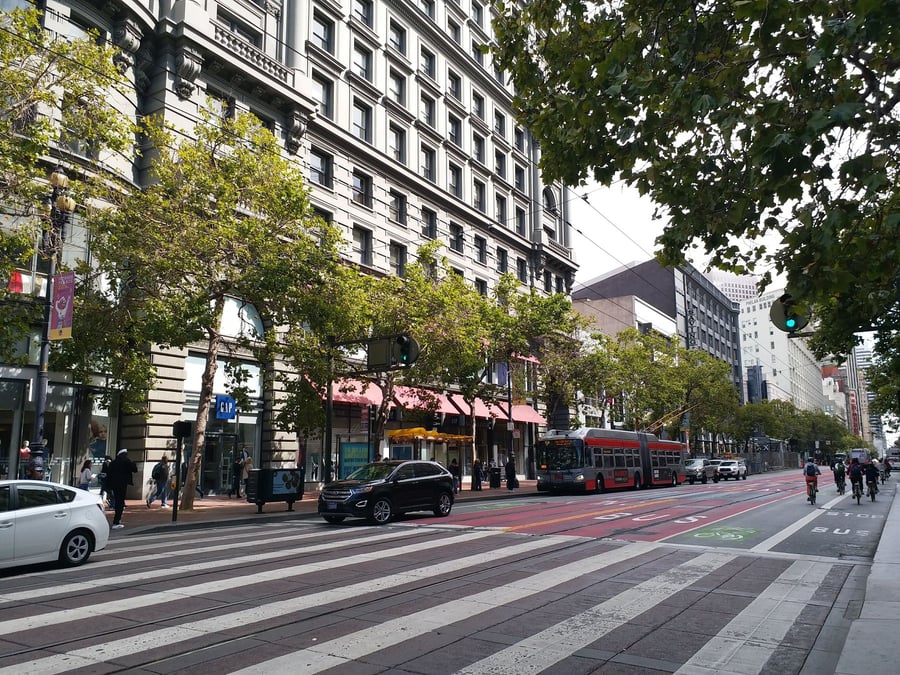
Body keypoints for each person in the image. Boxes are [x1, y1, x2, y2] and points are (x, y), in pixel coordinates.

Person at [107, 448, 137, 529]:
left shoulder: (113, 463)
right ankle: (116, 521)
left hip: (114, 485)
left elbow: (109, 474)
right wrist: (133, 463)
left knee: (117, 501)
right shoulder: (126, 461)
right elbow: (134, 470)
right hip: (122, 484)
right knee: (120, 502)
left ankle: (117, 520)